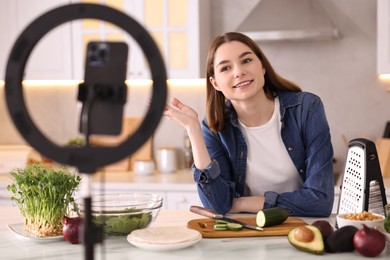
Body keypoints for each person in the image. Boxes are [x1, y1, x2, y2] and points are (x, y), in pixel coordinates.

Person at [164, 32, 334, 217]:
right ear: (215, 83)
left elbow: (321, 201)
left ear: (262, 67)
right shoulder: (214, 129)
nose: (238, 72)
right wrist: (193, 129)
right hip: (250, 230)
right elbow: (218, 204)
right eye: (225, 68)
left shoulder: (306, 108)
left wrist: (243, 202)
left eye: (246, 61)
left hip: (303, 227)